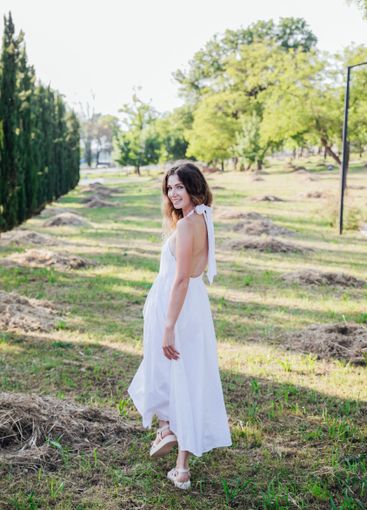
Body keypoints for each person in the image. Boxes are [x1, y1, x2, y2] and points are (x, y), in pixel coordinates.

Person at [128, 161, 232, 490]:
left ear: (193, 187)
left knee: (166, 369)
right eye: (169, 188)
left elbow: (182, 279)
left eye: (179, 187)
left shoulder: (187, 226)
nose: (173, 193)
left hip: (178, 308)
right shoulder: (202, 217)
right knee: (186, 377)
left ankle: (167, 429)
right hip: (194, 307)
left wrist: (169, 324)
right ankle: (179, 461)